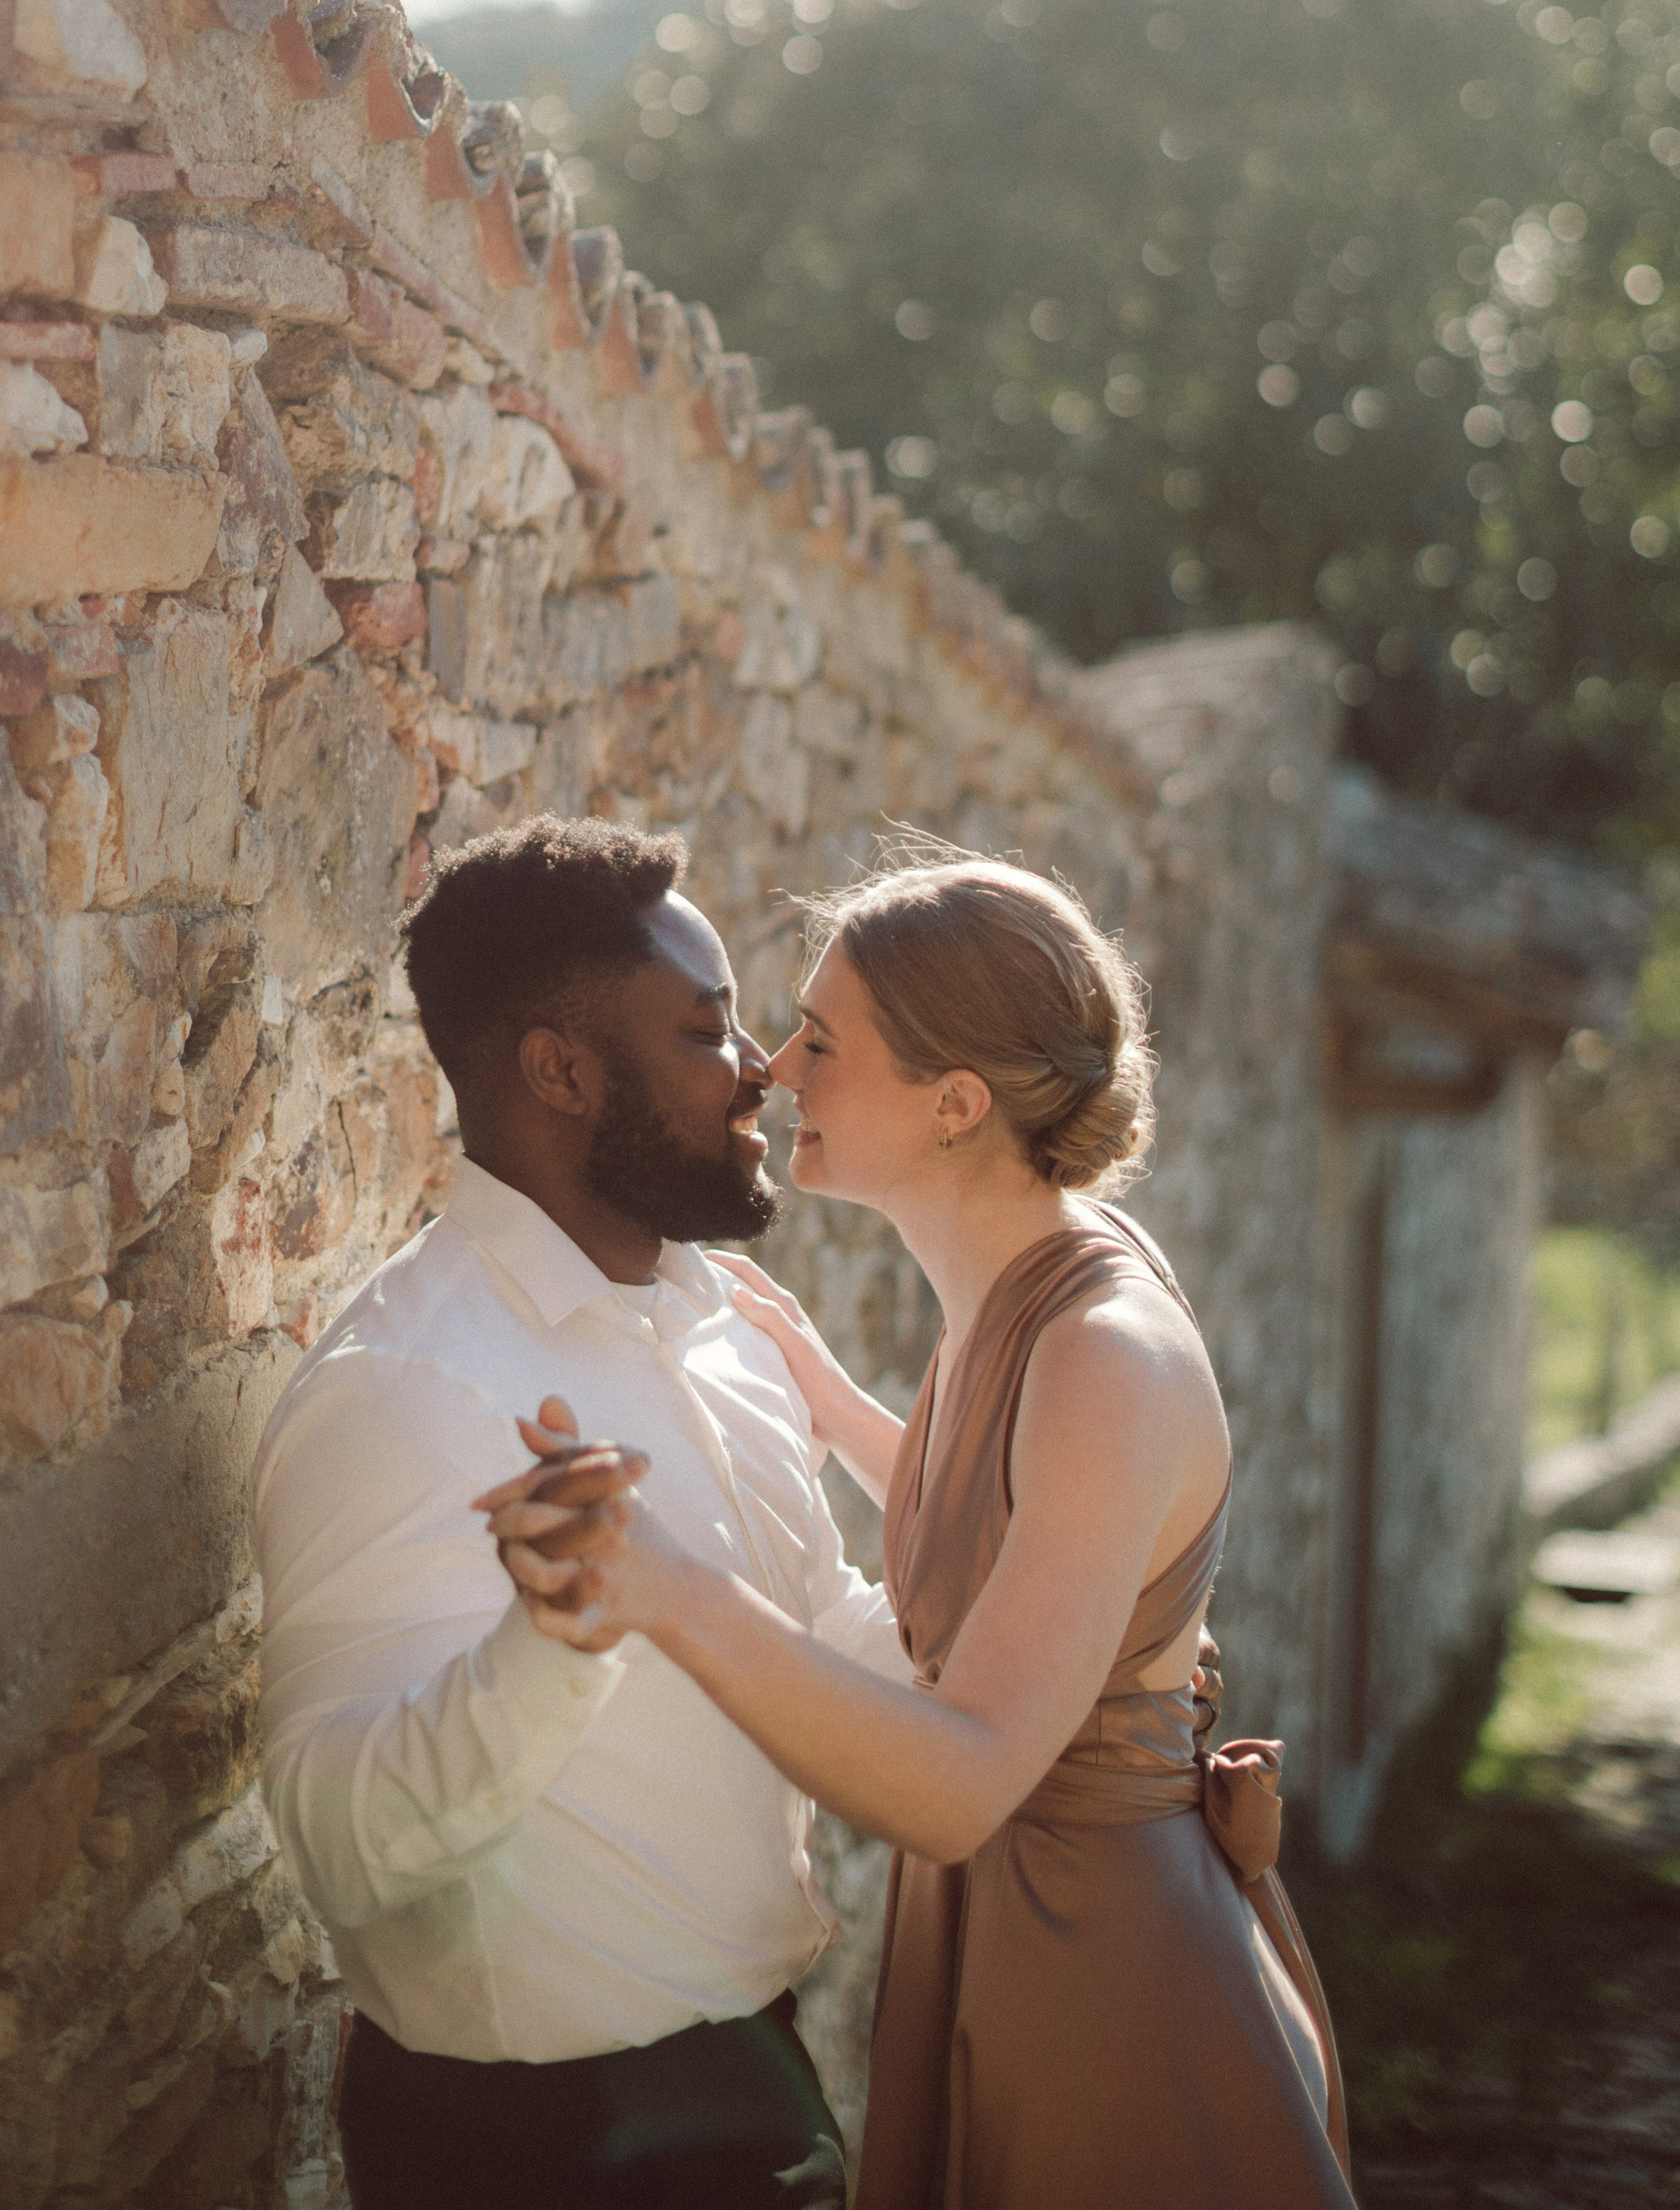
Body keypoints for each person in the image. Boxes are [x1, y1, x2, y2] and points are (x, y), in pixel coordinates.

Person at [482, 848, 1356, 2209]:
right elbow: (1020, 1540)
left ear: (956, 1105)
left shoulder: (1104, 1351)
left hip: (1107, 1981)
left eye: (821, 1041)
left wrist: (670, 1588)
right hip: (1018, 1928)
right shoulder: (1026, 1283)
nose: (773, 1069)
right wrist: (837, 1410)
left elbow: (961, 1784)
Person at [250, 816, 911, 2210]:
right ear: (559, 1070)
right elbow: (335, 1849)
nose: (761, 1069)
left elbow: (823, 1634)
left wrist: (1062, 1659)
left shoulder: (727, 1325)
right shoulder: (399, 1385)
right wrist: (550, 1649)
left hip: (766, 2084)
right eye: (707, 1032)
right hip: (529, 2149)